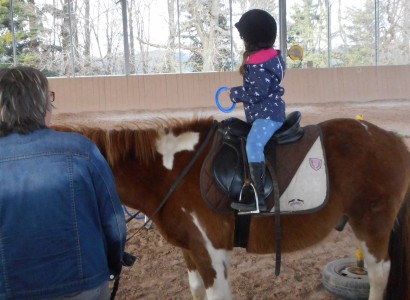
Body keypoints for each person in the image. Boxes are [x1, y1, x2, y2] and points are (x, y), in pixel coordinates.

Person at [0, 66, 127, 299]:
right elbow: (114, 223)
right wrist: (113, 264)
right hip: (84, 283)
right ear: (42, 106)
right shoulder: (82, 150)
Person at [229, 9, 286, 212]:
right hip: (266, 113)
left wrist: (235, 94)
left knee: (253, 145)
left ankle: (258, 199)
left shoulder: (259, 63)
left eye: (244, 37)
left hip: (267, 115)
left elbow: (257, 93)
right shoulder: (268, 59)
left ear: (252, 39)